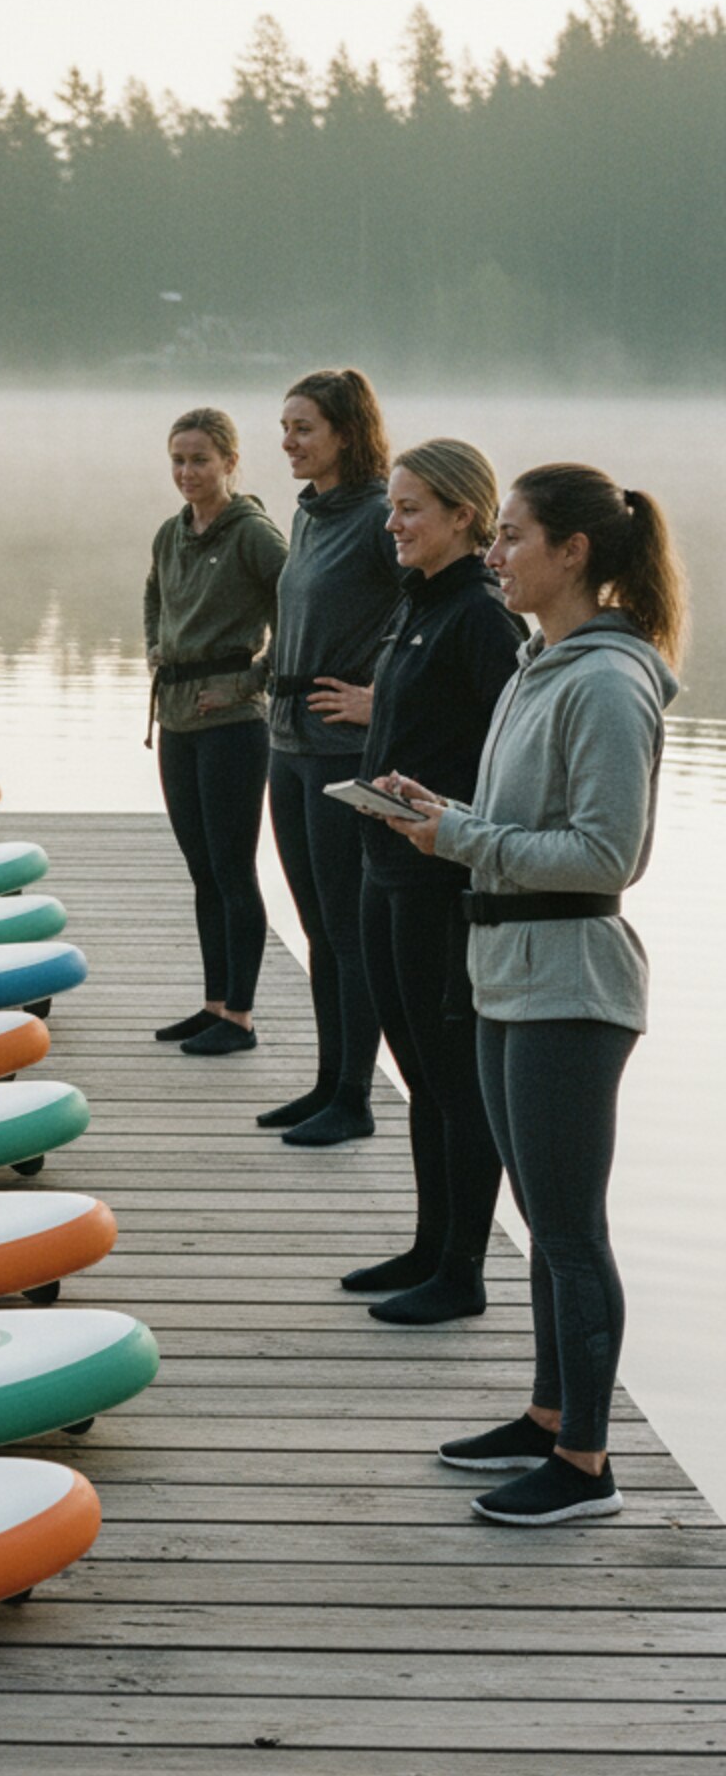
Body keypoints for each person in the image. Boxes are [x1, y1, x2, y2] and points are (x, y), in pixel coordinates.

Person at [378, 464, 685, 1524]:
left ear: (574, 552)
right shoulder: (536, 665)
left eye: (511, 536)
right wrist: (440, 809)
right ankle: (549, 1414)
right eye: (496, 535)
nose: (494, 554)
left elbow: (606, 852)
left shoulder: (606, 682)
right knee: (541, 1217)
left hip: (572, 981)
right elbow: (520, 823)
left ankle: (586, 1466)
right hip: (508, 971)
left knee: (569, 1230)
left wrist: (461, 836)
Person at [343, 440, 523, 1324]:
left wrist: (452, 820)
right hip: (386, 867)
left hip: (439, 881)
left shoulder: (483, 618)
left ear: (463, 516)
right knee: (416, 1069)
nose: (393, 523)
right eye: (392, 506)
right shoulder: (418, 604)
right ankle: (428, 1246)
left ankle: (463, 1272)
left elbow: (510, 765)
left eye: (410, 508)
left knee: (453, 1078)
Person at [260, 368, 400, 1145]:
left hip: (342, 750)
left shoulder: (381, 516)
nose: (288, 441)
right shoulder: (311, 512)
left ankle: (356, 1098)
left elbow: (442, 605)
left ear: (346, 433)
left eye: (303, 428)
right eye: (285, 427)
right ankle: (326, 1083)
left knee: (348, 930)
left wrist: (383, 697)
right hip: (287, 742)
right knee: (317, 926)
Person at [142, 407, 286, 1057]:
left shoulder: (252, 533)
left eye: (200, 459)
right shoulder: (171, 533)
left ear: (230, 462)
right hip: (175, 720)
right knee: (202, 871)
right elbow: (153, 593)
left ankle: (242, 1018)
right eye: (178, 460)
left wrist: (254, 679)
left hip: (232, 725)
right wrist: (154, 645)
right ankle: (214, 1006)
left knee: (233, 871)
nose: (187, 472)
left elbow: (299, 602)